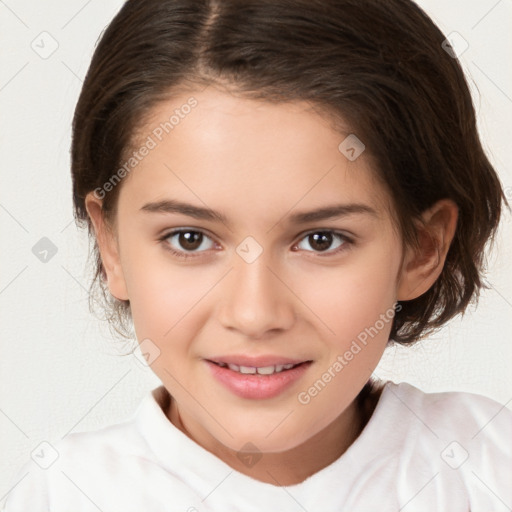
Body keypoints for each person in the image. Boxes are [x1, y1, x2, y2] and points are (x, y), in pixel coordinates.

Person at [3, 0, 511, 510]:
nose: (254, 314)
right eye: (189, 239)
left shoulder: (489, 468)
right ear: (111, 245)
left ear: (422, 248)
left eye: (321, 240)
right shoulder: (61, 495)